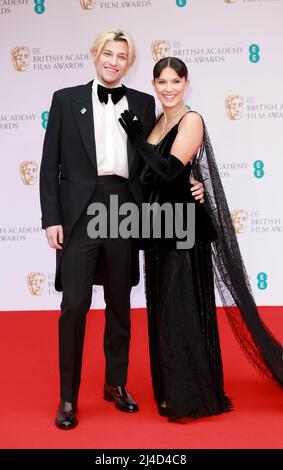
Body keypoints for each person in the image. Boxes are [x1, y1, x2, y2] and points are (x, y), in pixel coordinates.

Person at [39, 30, 203, 430]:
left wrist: (192, 182)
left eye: (122, 56)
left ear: (129, 64)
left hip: (124, 208)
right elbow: (48, 166)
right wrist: (51, 218)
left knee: (119, 302)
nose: (113, 61)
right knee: (74, 303)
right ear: (95, 55)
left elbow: (163, 153)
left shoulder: (146, 103)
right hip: (79, 210)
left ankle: (116, 384)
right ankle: (67, 397)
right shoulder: (65, 99)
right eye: (108, 53)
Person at [119, 57, 283, 422]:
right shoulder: (160, 121)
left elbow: (167, 170)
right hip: (159, 225)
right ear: (154, 83)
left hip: (184, 228)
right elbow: (150, 177)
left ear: (186, 84)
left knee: (182, 310)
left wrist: (137, 141)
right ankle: (172, 390)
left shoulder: (191, 120)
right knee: (163, 311)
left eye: (175, 82)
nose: (168, 89)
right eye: (161, 82)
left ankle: (192, 395)